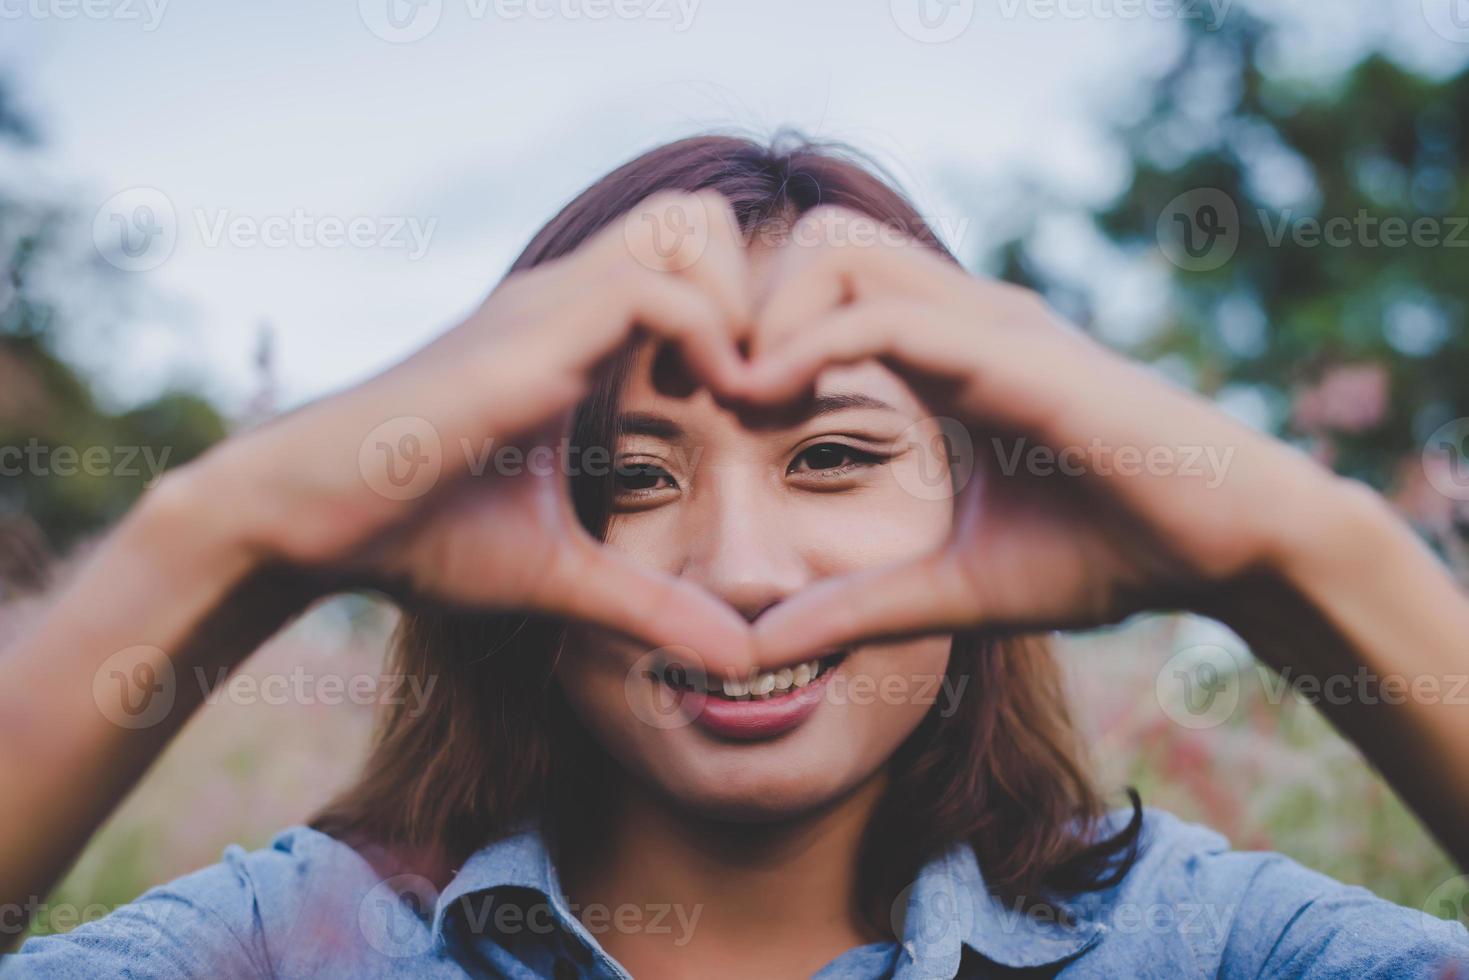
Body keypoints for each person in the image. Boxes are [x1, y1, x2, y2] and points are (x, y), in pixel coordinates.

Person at [3, 134, 1468, 979]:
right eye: (627, 476)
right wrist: (228, 535)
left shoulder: (1198, 946)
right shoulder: (294, 944)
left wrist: (1294, 552)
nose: (739, 567)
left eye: (832, 456)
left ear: (981, 505)